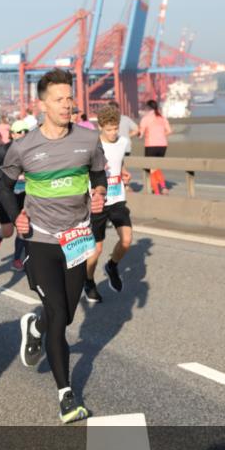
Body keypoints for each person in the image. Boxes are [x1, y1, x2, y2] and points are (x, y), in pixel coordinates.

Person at [0, 68, 106, 424]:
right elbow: (2, 187)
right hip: (41, 239)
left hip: (76, 238)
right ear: (42, 104)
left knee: (67, 315)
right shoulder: (24, 146)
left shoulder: (88, 139)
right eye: (59, 99)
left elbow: (98, 173)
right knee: (59, 314)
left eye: (70, 98)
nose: (67, 105)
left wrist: (99, 191)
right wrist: (16, 215)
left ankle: (35, 325)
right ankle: (66, 395)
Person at [85, 104, 133, 302]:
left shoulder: (123, 142)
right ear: (100, 127)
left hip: (117, 199)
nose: (113, 133)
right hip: (98, 202)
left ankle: (112, 266)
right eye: (109, 129)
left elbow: (119, 161)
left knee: (126, 240)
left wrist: (124, 171)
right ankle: (88, 281)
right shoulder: (93, 146)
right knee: (96, 250)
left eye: (116, 128)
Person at [0, 120, 30, 272]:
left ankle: (17, 259)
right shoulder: (3, 150)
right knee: (8, 231)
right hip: (5, 194)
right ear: (12, 134)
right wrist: (11, 174)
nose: (23, 134)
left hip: (23, 194)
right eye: (19, 132)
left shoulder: (32, 150)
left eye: (25, 131)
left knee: (22, 227)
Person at [139, 99, 171, 195]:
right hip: (163, 145)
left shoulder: (146, 118)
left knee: (151, 169)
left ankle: (157, 192)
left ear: (147, 108)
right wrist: (160, 136)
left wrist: (138, 134)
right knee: (156, 167)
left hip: (151, 145)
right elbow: (169, 131)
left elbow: (140, 134)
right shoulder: (162, 117)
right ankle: (163, 187)